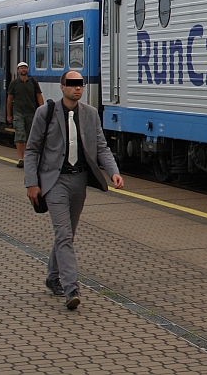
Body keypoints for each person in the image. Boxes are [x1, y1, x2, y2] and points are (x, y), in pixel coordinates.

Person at [24, 70, 123, 309]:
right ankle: (72, 289)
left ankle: (51, 276)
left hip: (79, 182)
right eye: (72, 84)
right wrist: (32, 183)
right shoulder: (45, 113)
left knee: (66, 234)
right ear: (62, 87)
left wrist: (113, 171)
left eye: (80, 85)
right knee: (64, 234)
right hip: (54, 181)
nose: (77, 88)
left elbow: (101, 146)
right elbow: (32, 150)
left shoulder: (90, 114)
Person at [7, 62, 43, 168]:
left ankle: (28, 158)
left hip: (31, 113)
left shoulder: (33, 82)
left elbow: (39, 96)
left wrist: (42, 111)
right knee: (20, 135)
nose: (23, 69)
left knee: (29, 136)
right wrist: (9, 114)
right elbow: (10, 99)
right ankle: (21, 158)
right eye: (21, 68)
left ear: (27, 70)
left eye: (25, 68)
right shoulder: (14, 83)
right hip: (18, 113)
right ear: (18, 70)